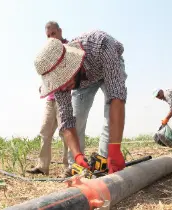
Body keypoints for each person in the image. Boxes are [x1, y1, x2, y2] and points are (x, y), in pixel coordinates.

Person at [34, 30, 128, 175]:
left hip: (106, 65)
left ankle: (106, 161)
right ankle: (78, 165)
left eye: (64, 80)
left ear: (72, 66)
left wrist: (115, 148)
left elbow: (117, 98)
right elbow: (66, 121)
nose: (63, 88)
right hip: (83, 81)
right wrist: (78, 155)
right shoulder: (60, 83)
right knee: (77, 119)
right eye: (59, 84)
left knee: (111, 115)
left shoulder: (100, 45)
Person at [26, 22, 69, 176]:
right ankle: (42, 167)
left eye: (53, 34)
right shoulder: (48, 52)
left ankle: (68, 168)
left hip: (65, 96)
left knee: (66, 132)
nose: (51, 37)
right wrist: (44, 85)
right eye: (48, 35)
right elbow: (47, 72)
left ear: (60, 31)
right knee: (45, 131)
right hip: (50, 97)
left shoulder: (69, 49)